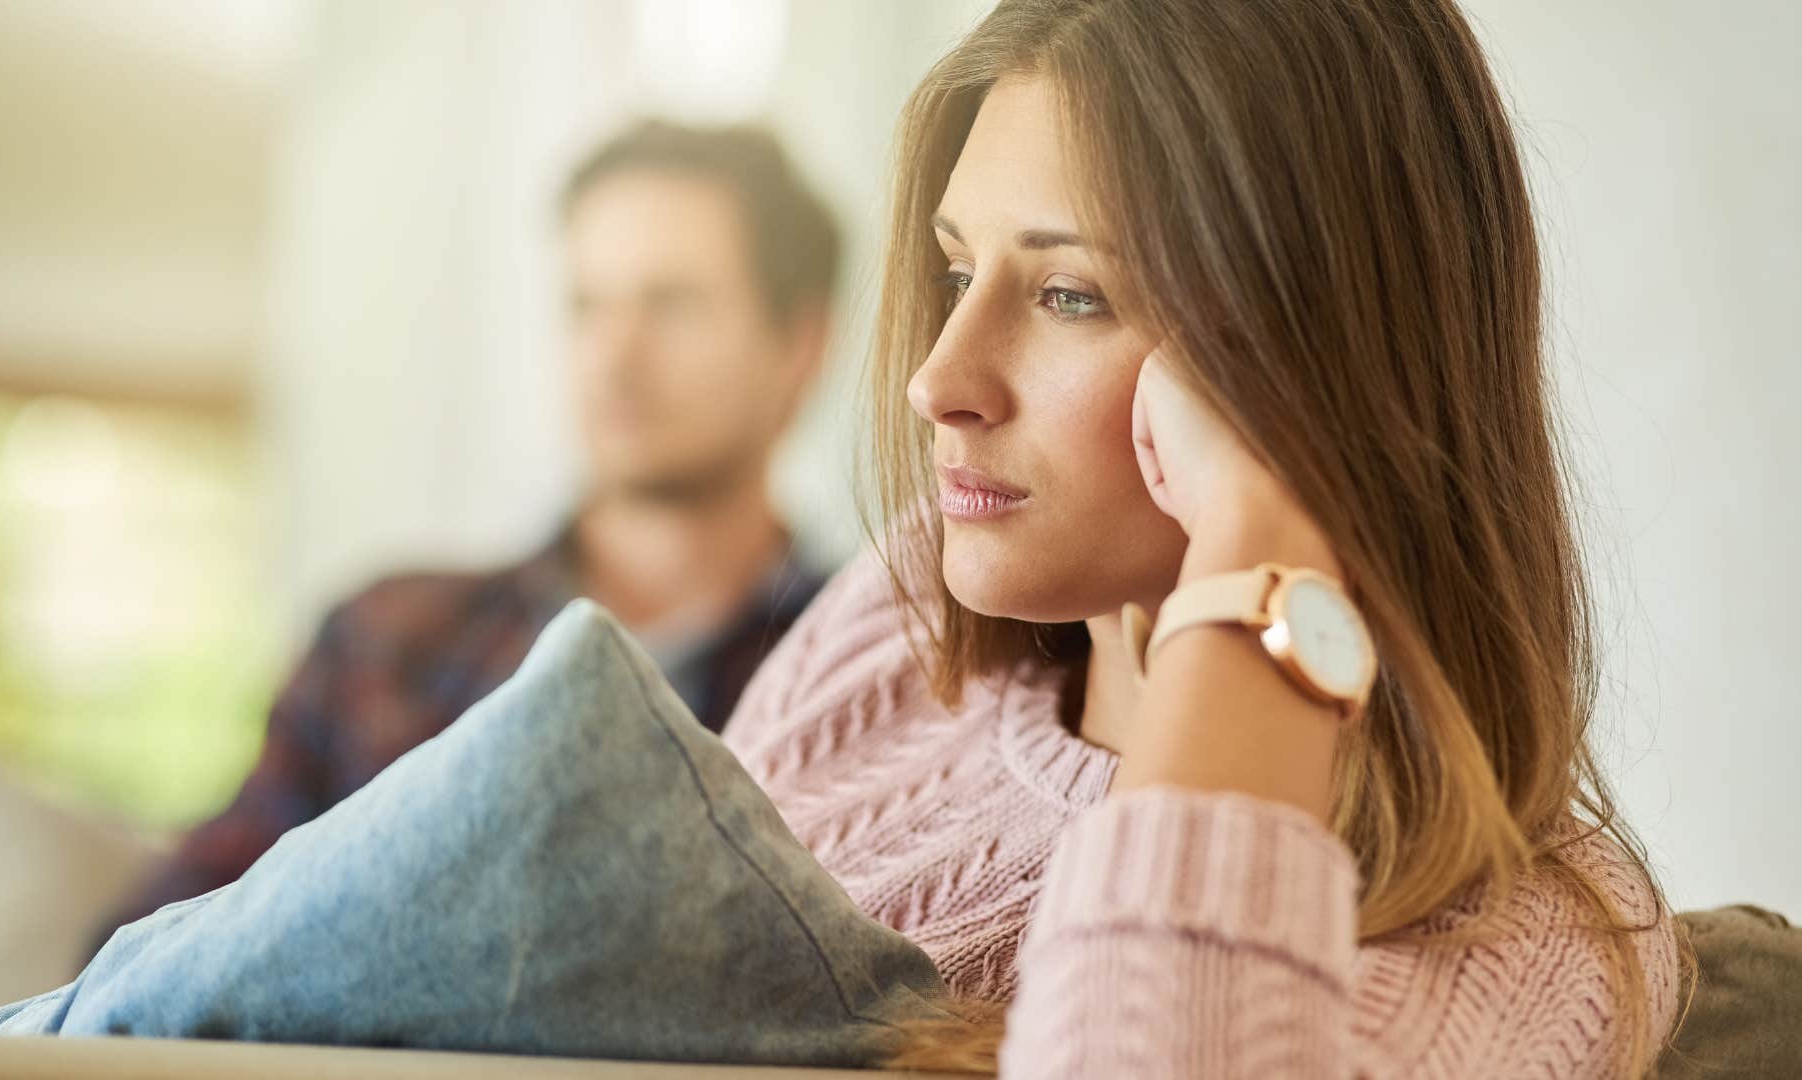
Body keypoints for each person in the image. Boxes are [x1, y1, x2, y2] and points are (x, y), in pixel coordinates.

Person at [713, 0, 1692, 1075]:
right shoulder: (893, 635)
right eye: (957, 274)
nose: (938, 380)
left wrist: (1263, 548)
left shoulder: (1534, 945)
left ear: (1313, 358)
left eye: (1069, 295)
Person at [93, 120, 840, 949]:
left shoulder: (878, 670)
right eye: (586, 305)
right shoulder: (385, 642)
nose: (612, 356)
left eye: (672, 305)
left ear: (799, 346)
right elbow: (149, 954)